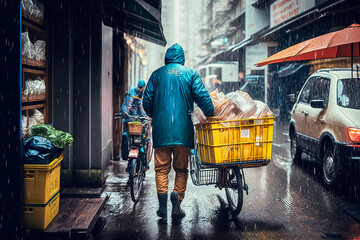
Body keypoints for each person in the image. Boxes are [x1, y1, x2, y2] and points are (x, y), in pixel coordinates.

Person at [143, 43, 214, 223]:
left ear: (166, 58)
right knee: (181, 169)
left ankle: (162, 207)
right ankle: (177, 198)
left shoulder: (156, 74)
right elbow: (202, 96)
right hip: (183, 132)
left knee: (161, 169)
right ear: (182, 58)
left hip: (161, 132)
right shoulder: (190, 74)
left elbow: (147, 100)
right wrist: (210, 112)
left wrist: (154, 114)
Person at [121, 80, 148, 176]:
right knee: (130, 140)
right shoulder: (133, 94)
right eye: (141, 88)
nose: (141, 89)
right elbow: (127, 106)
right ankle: (131, 161)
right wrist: (126, 114)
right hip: (131, 121)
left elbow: (141, 108)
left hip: (137, 121)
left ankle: (143, 162)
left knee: (143, 140)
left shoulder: (141, 94)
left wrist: (145, 118)